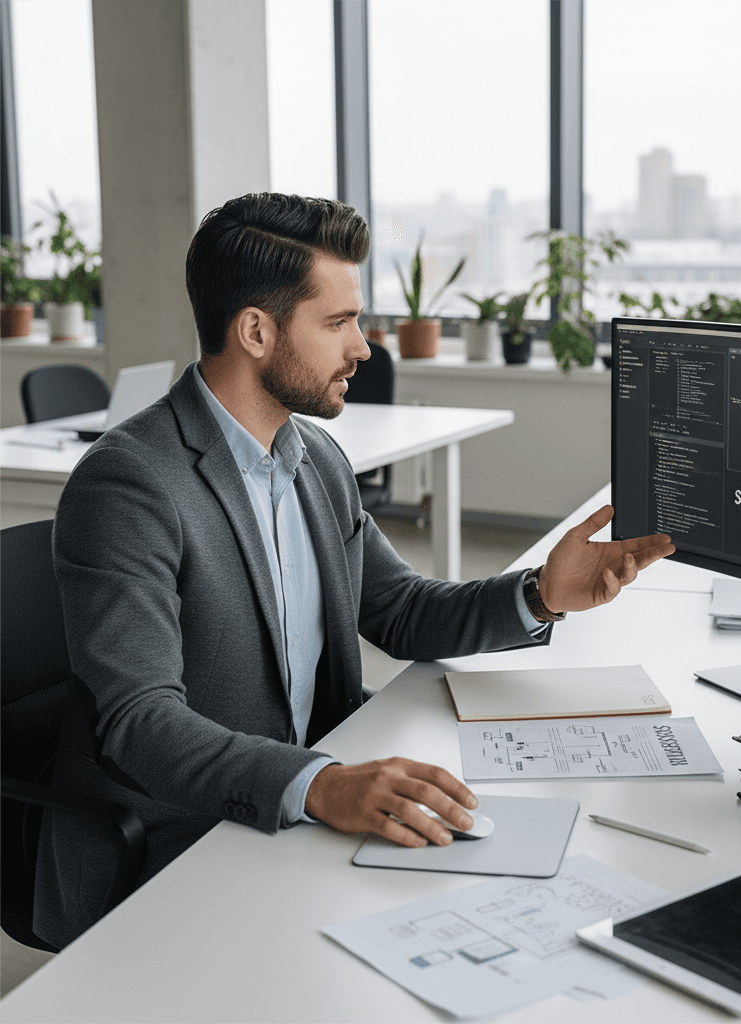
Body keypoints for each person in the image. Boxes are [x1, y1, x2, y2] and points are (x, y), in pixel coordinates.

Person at [35, 193, 674, 949]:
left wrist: (540, 594)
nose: (364, 348)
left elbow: (398, 610)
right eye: (338, 323)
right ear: (255, 331)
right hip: (178, 836)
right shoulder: (131, 483)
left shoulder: (315, 461)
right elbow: (138, 723)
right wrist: (324, 784)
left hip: (299, 808)